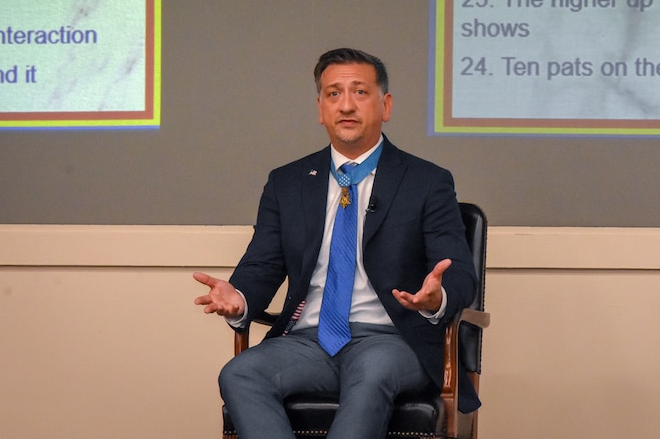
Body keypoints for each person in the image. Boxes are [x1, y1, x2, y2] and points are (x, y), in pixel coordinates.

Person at [193, 47, 479, 439]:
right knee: (240, 373)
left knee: (371, 371)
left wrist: (436, 298)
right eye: (333, 94)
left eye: (359, 92)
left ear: (386, 105)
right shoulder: (287, 182)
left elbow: (460, 273)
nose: (345, 105)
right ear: (320, 108)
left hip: (393, 341)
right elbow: (262, 265)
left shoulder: (426, 182)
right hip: (308, 342)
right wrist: (239, 298)